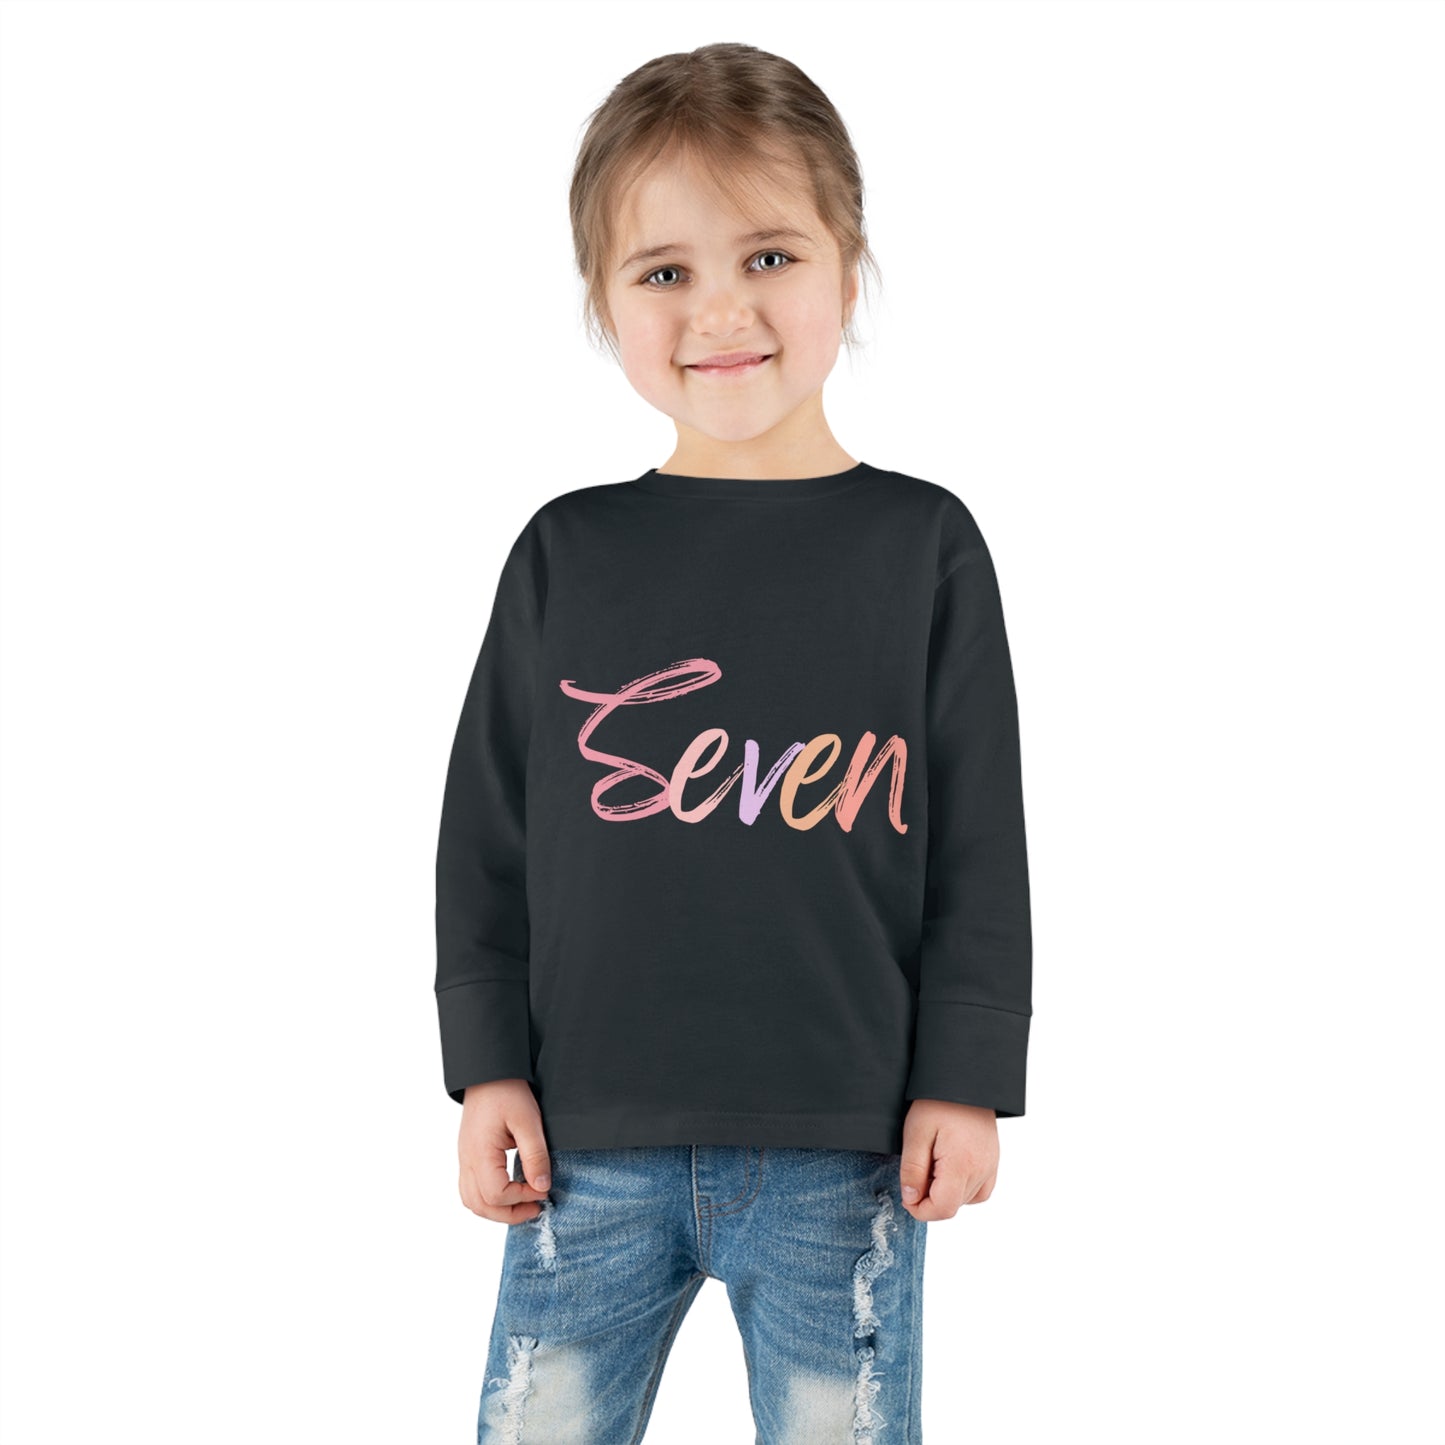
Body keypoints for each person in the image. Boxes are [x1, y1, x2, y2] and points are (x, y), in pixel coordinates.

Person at [434, 41, 1033, 1445]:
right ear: (604, 300)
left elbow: (979, 842)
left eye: (768, 256)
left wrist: (965, 1075)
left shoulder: (925, 548)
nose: (721, 310)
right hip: (585, 1146)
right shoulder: (566, 553)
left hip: (845, 1146)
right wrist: (486, 1063)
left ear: (847, 264)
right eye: (664, 271)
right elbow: (486, 837)